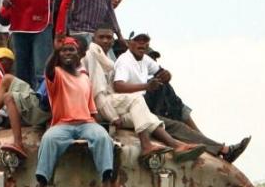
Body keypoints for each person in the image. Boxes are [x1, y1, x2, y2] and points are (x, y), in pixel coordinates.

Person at [83, 26, 207, 162]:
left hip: (114, 104)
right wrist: (112, 117)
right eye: (102, 37)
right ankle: (146, 146)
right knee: (136, 98)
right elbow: (97, 92)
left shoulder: (108, 59)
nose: (106, 41)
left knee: (146, 116)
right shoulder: (93, 54)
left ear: (113, 41)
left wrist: (165, 76)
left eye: (109, 38)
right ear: (94, 39)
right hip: (101, 108)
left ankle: (176, 146)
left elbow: (160, 72)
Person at [31, 37, 116, 187]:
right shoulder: (56, 73)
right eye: (64, 50)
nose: (67, 53)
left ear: (78, 54)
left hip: (86, 123)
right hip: (63, 124)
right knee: (49, 138)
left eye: (71, 50)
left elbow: (92, 109)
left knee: (102, 137)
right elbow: (48, 70)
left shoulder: (85, 78)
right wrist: (55, 50)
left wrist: (99, 125)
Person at [4, 0, 55, 89]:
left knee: (41, 71)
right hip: (19, 24)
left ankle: (43, 106)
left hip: (40, 24)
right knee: (21, 74)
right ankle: (25, 106)